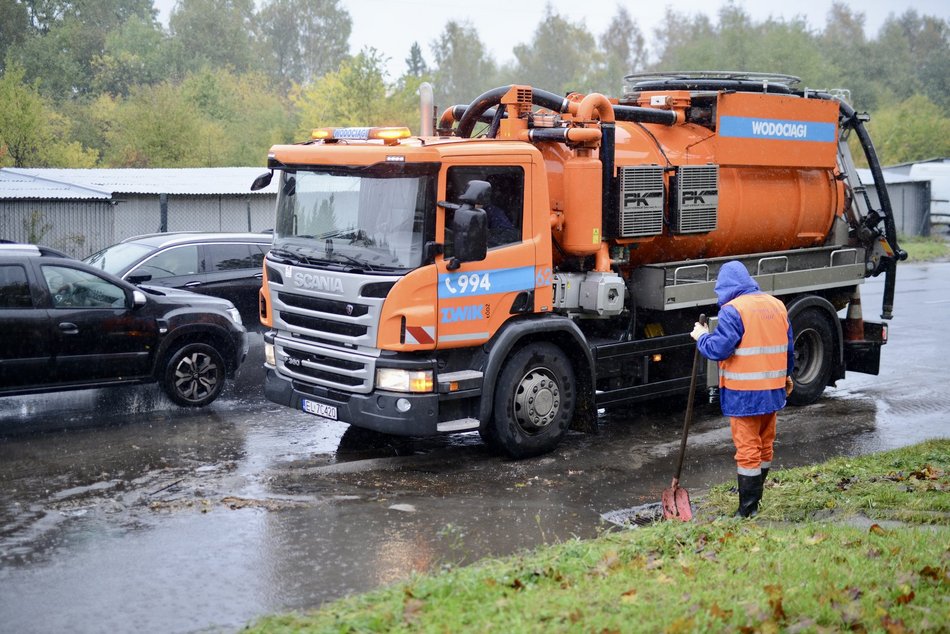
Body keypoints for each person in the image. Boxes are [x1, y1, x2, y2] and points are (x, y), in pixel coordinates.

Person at [690, 260, 795, 518]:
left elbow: (719, 349)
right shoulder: (777, 305)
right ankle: (755, 501)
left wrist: (701, 336)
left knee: (747, 450)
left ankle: (747, 511)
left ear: (727, 287)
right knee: (765, 445)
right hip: (772, 391)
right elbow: (789, 349)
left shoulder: (733, 310)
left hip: (744, 395)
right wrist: (786, 376)